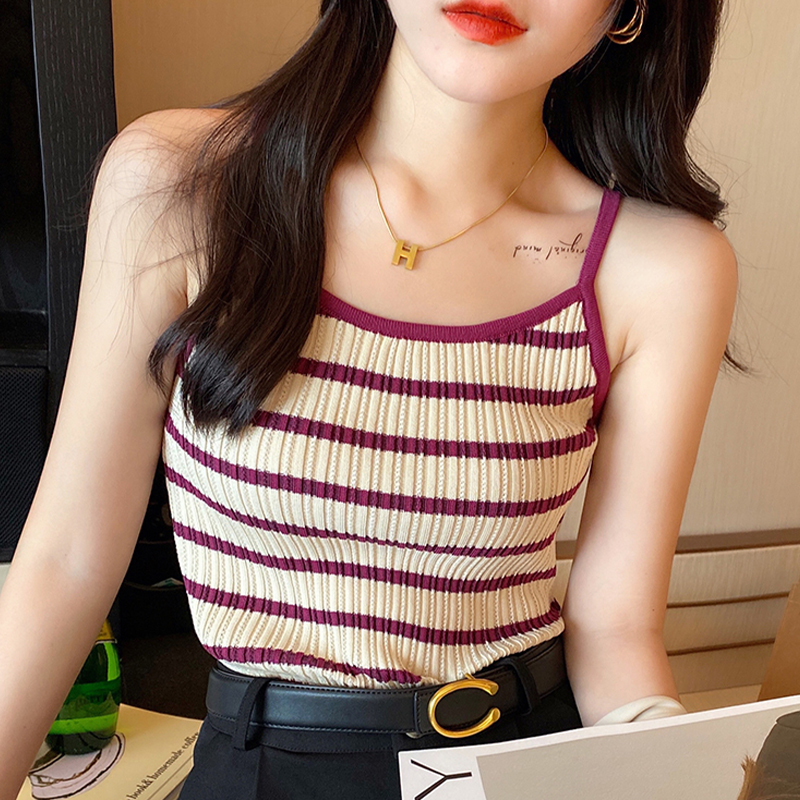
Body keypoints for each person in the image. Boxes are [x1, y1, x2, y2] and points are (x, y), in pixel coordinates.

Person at [0, 0, 746, 797]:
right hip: (264, 767)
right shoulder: (180, 182)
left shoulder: (662, 268)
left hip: (515, 759)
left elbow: (616, 626)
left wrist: (673, 765)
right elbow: (67, 562)